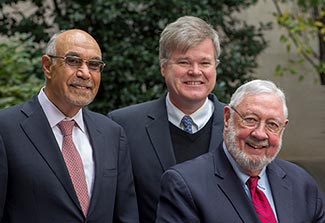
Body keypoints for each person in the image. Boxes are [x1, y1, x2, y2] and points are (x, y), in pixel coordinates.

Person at [0, 29, 139, 223]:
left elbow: (126, 216)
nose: (84, 73)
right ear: (48, 66)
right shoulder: (5, 130)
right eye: (73, 61)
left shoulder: (112, 134)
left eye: (94, 65)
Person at [155, 79, 325, 223]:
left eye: (272, 124)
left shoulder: (302, 184)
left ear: (283, 128)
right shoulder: (184, 185)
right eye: (250, 120)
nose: (260, 134)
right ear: (227, 118)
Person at [108, 16, 225, 222]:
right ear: (163, 67)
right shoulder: (122, 126)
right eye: (184, 62)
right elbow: (117, 206)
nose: (195, 71)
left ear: (215, 67)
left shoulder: (238, 126)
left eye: (205, 63)